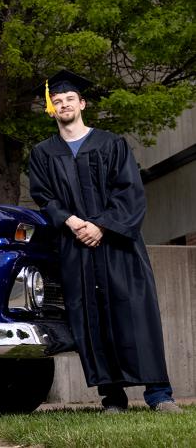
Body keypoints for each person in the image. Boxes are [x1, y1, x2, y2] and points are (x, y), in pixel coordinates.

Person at [28, 69, 182, 414]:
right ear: (51, 109)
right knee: (91, 318)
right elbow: (44, 197)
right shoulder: (43, 153)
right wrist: (71, 222)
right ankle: (113, 395)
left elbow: (130, 193)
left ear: (82, 103)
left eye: (70, 99)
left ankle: (159, 393)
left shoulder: (111, 144)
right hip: (75, 246)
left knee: (135, 314)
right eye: (58, 101)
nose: (64, 104)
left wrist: (102, 226)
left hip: (118, 245)